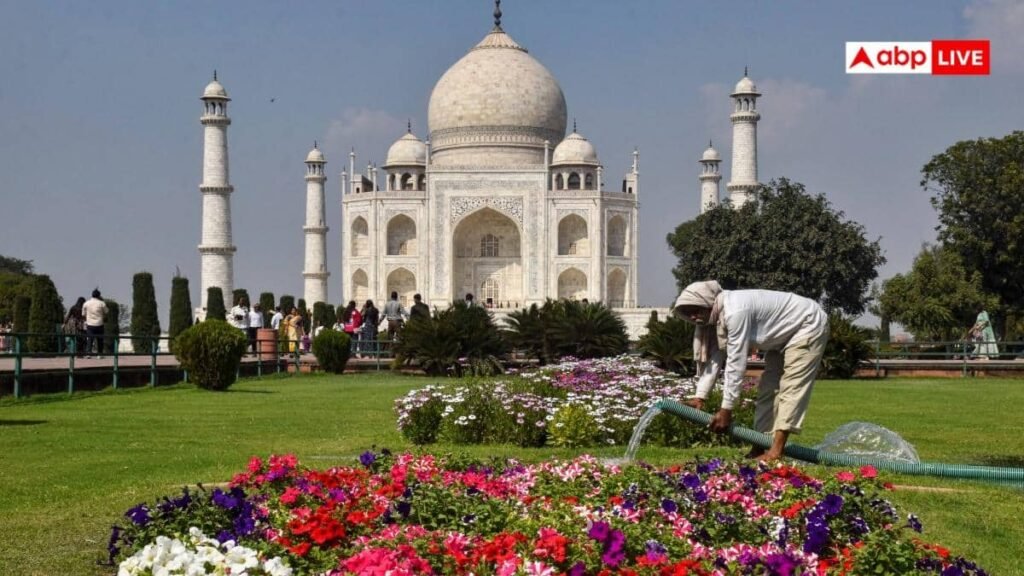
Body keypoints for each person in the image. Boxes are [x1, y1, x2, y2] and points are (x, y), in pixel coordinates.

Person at [674, 280, 829, 462]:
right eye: (689, 313)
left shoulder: (734, 311)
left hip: (807, 324)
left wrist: (726, 410)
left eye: (696, 310)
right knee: (768, 388)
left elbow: (736, 363)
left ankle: (776, 451)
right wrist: (700, 397)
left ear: (708, 302)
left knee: (791, 388)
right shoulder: (718, 316)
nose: (693, 317)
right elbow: (716, 357)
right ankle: (758, 447)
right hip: (782, 336)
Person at [82, 289, 109, 358]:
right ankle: (99, 354)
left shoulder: (86, 303)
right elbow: (106, 311)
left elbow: (83, 314)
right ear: (99, 296)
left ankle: (88, 353)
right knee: (100, 340)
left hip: (90, 324)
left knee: (90, 339)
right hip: (99, 324)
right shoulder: (102, 303)